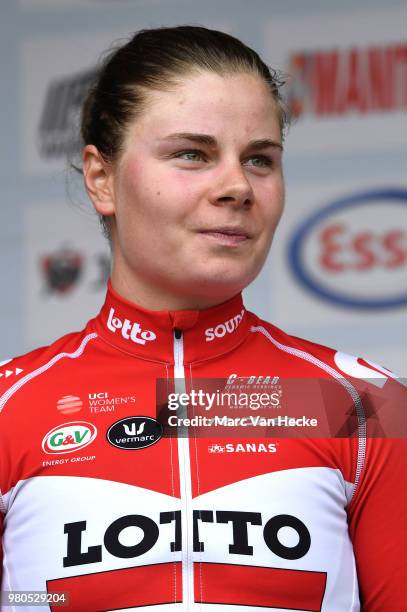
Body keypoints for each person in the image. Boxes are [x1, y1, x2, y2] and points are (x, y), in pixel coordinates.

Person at [0, 25, 406, 612]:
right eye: (192, 153)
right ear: (101, 178)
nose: (237, 186)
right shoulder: (11, 410)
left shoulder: (362, 405)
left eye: (260, 159)